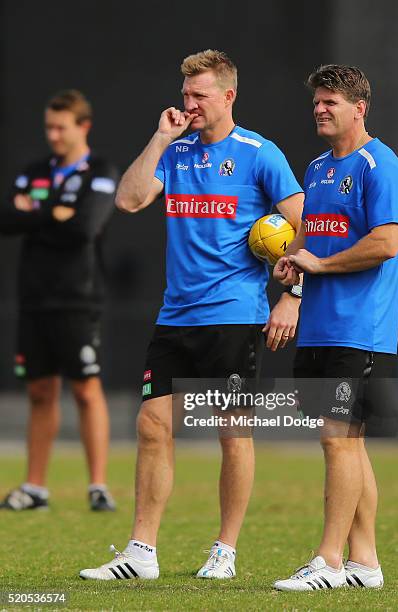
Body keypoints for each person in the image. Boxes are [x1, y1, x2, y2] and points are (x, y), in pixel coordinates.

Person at [79, 49, 304, 581]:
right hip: (176, 314)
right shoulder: (176, 154)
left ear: (228, 96)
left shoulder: (259, 153)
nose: (190, 105)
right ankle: (142, 552)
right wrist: (160, 138)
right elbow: (131, 201)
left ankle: (224, 551)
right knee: (153, 425)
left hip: (234, 314)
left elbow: (306, 224)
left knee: (232, 432)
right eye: (185, 95)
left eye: (200, 95)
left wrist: (294, 294)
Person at [272, 64, 398, 591]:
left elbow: (387, 242)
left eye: (331, 102)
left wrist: (323, 267)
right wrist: (293, 266)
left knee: (338, 440)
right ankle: (366, 562)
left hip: (361, 329)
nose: (320, 110)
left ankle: (328, 560)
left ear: (360, 108)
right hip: (319, 328)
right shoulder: (316, 167)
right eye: (316, 102)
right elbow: (311, 237)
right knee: (347, 445)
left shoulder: (382, 165)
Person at [0, 89, 119, 512]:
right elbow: (6, 219)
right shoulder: (34, 170)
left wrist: (35, 213)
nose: (52, 134)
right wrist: (54, 211)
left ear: (83, 126)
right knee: (39, 392)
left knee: (86, 389)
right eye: (48, 126)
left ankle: (99, 486)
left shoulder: (99, 170)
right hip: (34, 298)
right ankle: (35, 488)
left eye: (60, 127)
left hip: (78, 298)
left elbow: (85, 227)